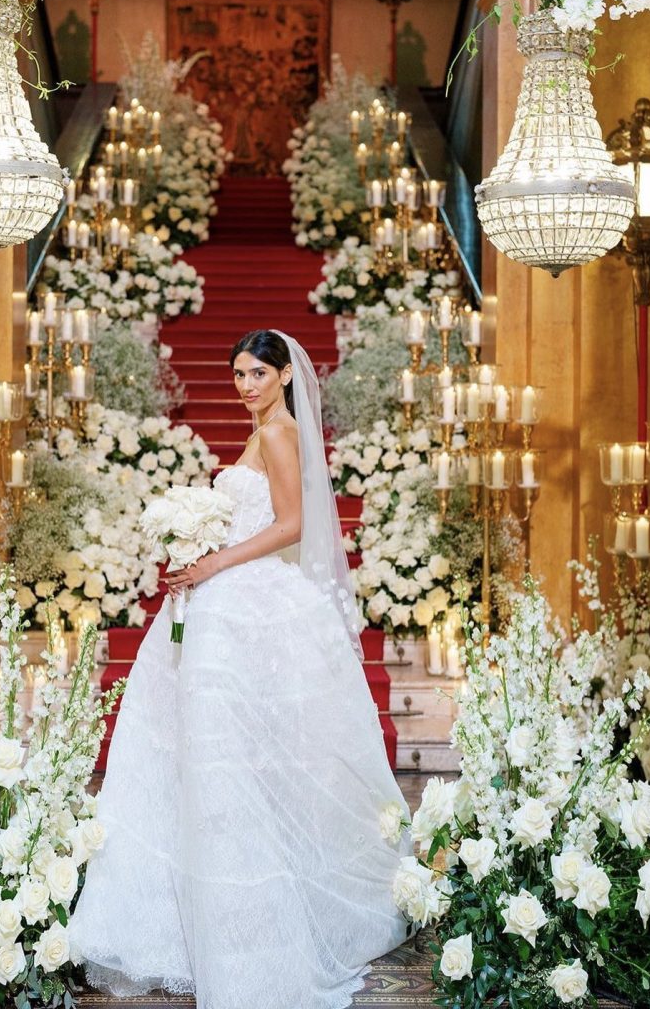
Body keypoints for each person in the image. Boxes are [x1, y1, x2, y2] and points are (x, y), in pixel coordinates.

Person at [69, 329, 411, 1009]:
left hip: (248, 598)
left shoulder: (280, 434)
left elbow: (291, 524)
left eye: (257, 373)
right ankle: (188, 917)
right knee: (204, 754)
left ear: (284, 376)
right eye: (237, 376)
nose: (246, 385)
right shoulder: (263, 433)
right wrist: (196, 544)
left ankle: (250, 923)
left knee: (237, 758)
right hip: (222, 597)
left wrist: (213, 560)